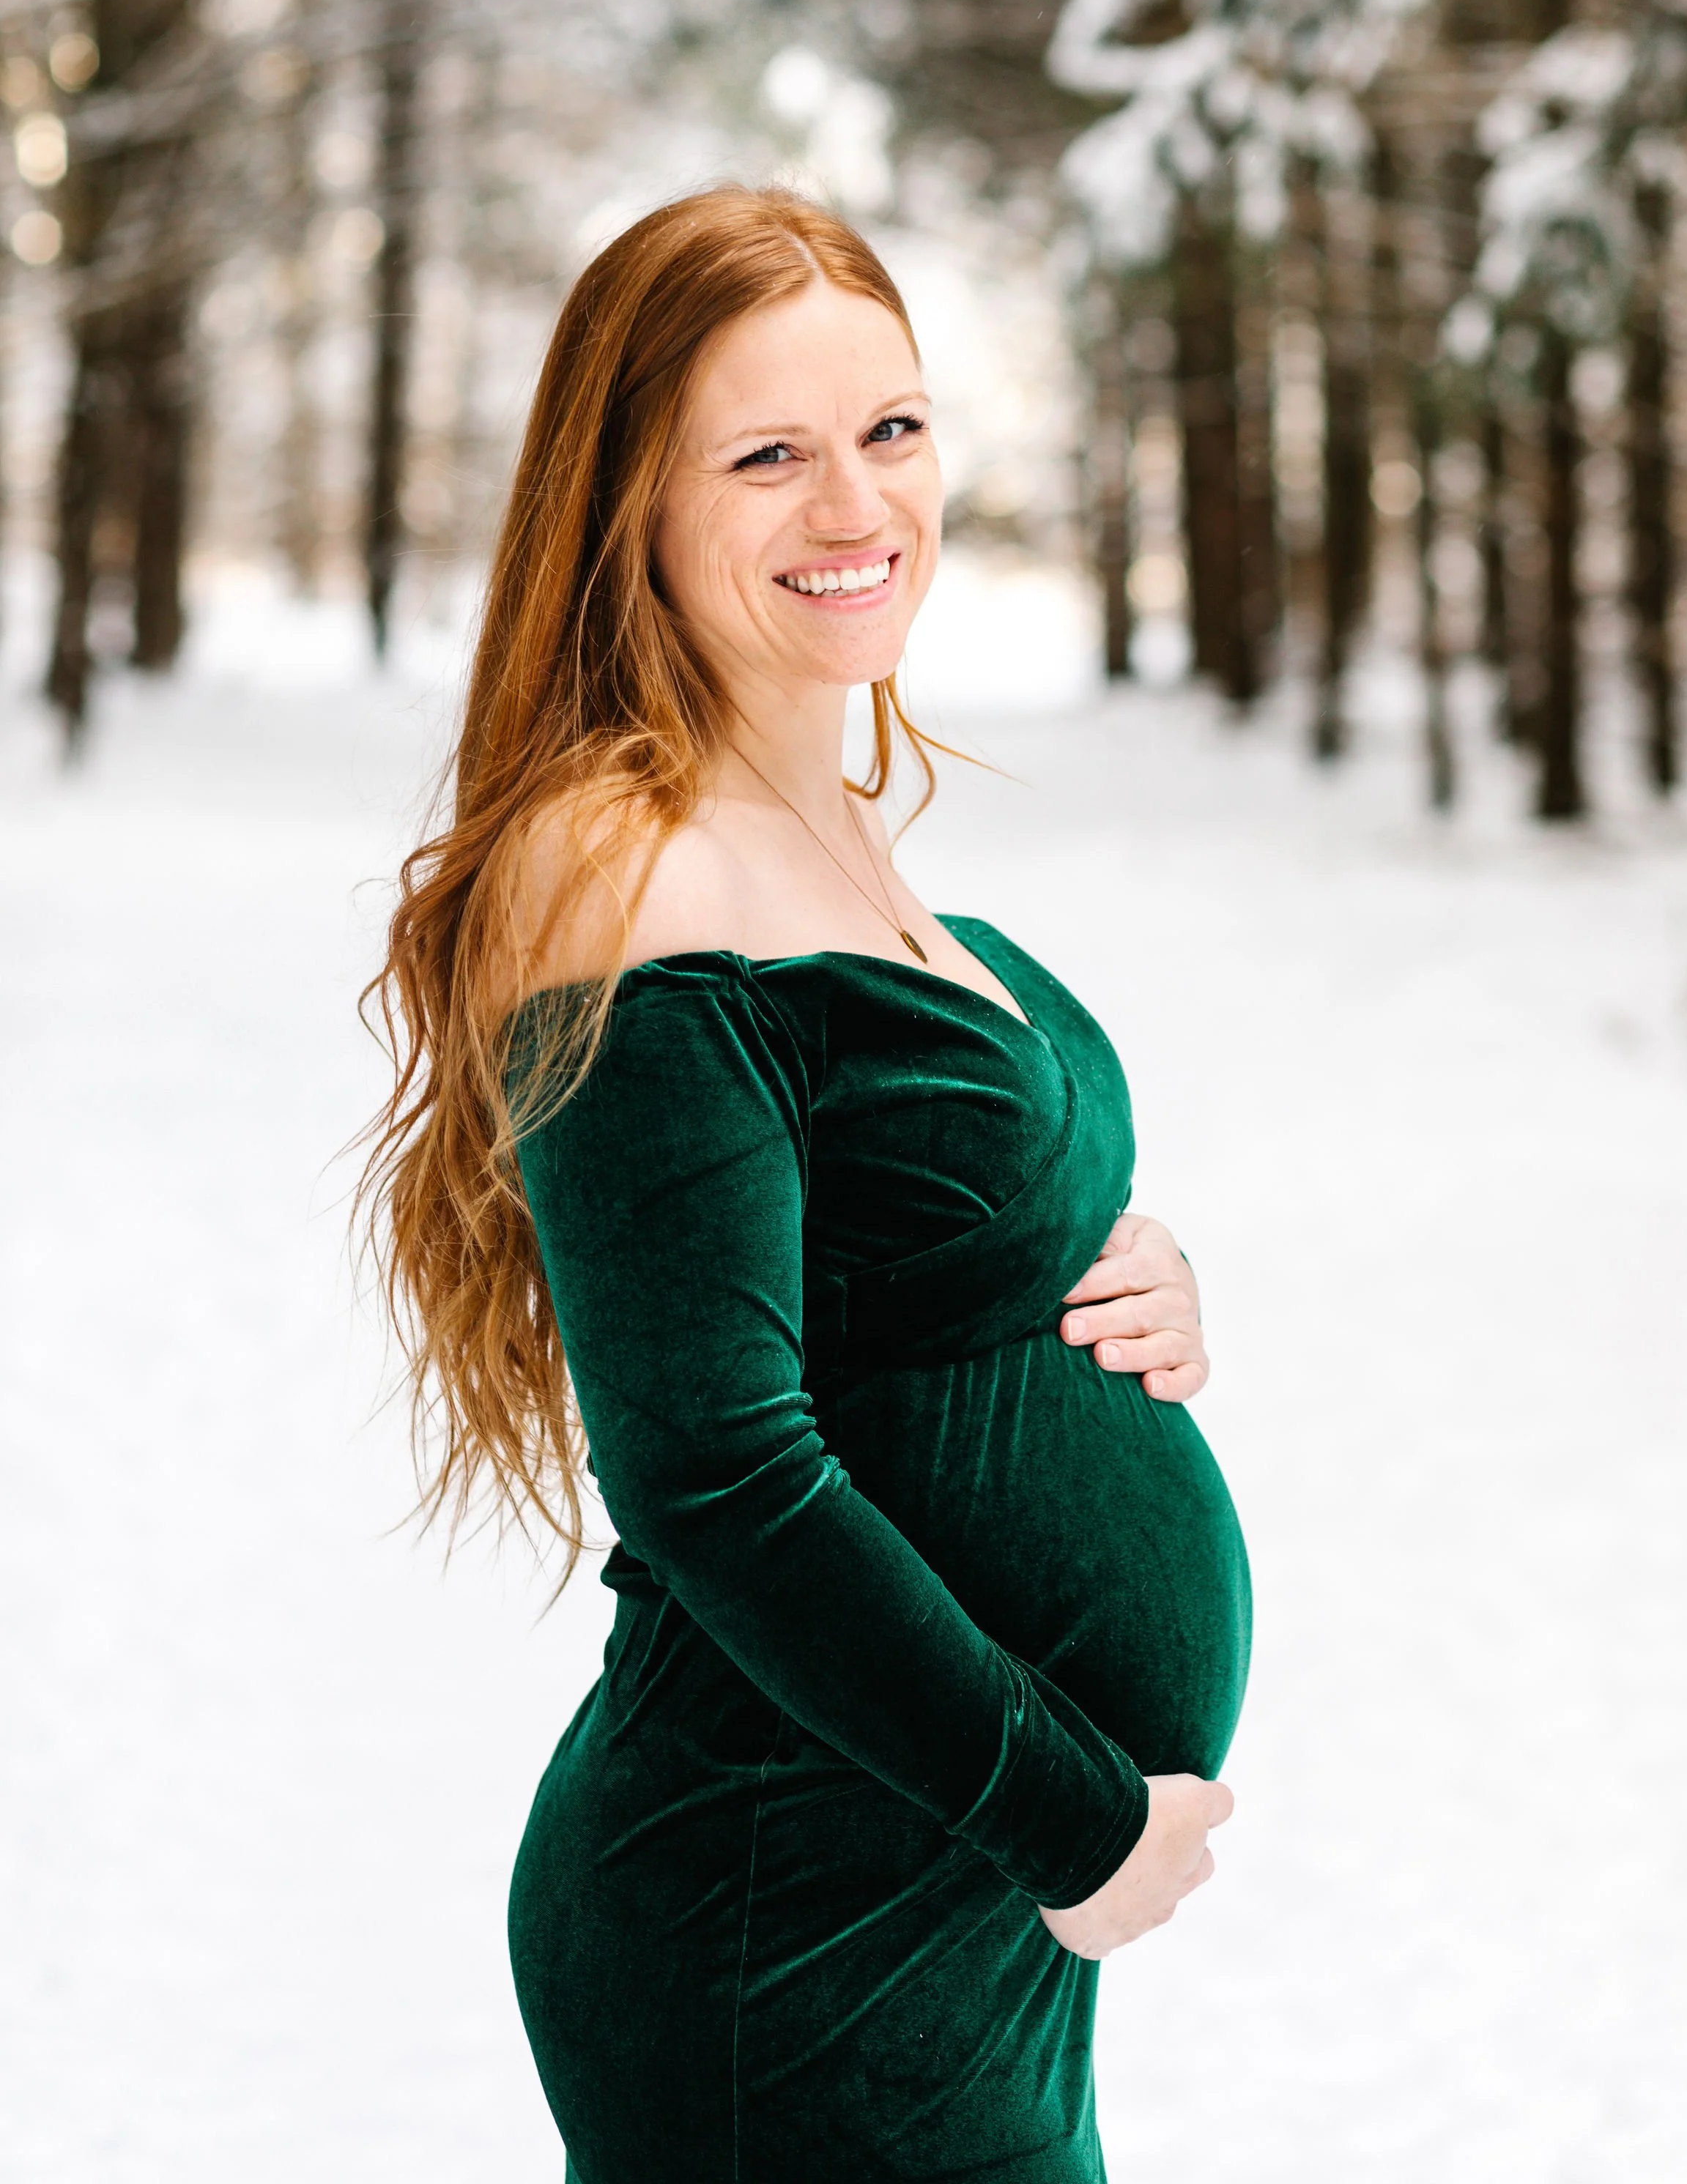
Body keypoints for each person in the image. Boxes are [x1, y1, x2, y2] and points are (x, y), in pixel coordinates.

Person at [360, 185, 1249, 2183]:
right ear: (632, 509)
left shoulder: (823, 818)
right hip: (797, 1898)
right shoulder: (630, 867)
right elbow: (714, 1467)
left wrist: (1123, 1269)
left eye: (894, 430)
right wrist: (1067, 1813)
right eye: (767, 454)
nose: (857, 505)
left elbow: (890, 1262)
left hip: (916, 1882)